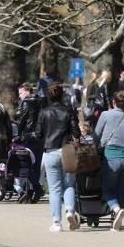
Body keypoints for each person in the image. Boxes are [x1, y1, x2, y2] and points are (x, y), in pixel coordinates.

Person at [35, 83, 81, 231]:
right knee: (69, 184)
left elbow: (38, 133)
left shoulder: (44, 112)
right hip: (67, 150)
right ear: (62, 95)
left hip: (50, 151)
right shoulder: (69, 111)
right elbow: (77, 133)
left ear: (49, 96)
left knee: (54, 189)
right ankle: (69, 211)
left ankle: (56, 222)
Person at [94, 91, 124, 231]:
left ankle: (117, 211)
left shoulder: (105, 115)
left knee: (107, 189)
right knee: (121, 190)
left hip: (111, 156)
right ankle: (117, 222)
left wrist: (97, 147)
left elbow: (96, 134)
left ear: (113, 102)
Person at [15, 82, 43, 202]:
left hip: (29, 136)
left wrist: (18, 134)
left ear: (27, 91)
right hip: (40, 137)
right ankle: (33, 191)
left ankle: (37, 188)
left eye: (21, 93)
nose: (20, 96)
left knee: (27, 164)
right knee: (36, 165)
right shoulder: (40, 101)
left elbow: (22, 119)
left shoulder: (26, 102)